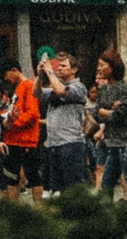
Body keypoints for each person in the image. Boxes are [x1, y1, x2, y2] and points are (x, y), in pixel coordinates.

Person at [88, 52, 127, 209]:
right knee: (106, 187)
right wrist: (109, 111)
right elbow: (97, 113)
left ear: (113, 67)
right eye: (98, 65)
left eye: (102, 65)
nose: (98, 69)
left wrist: (107, 111)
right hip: (112, 144)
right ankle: (109, 230)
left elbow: (121, 115)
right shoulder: (104, 89)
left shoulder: (125, 88)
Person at [36, 53, 92, 193]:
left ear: (74, 70)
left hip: (71, 144)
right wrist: (39, 76)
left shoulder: (79, 87)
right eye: (58, 66)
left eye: (63, 66)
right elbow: (36, 94)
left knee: (73, 190)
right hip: (55, 144)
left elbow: (61, 91)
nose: (59, 69)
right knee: (58, 190)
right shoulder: (54, 87)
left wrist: (49, 71)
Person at [0, 61, 43, 198]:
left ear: (14, 70)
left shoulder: (29, 86)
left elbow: (32, 114)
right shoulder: (17, 88)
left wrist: (13, 123)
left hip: (25, 140)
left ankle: (38, 209)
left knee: (33, 175)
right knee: (11, 176)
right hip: (13, 140)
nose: (6, 79)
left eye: (7, 74)